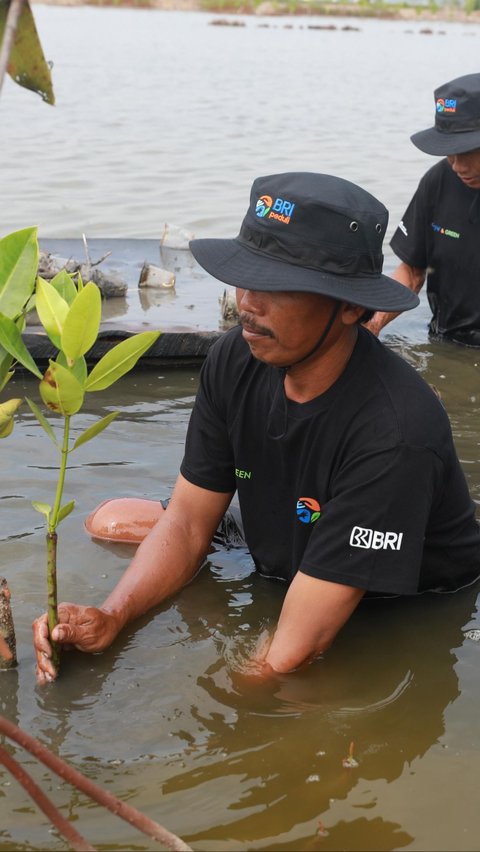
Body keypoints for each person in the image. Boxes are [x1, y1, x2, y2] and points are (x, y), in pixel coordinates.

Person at [33, 172, 480, 685]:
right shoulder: (233, 359)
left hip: (386, 594)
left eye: (279, 286)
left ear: (351, 307)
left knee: (263, 678)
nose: (248, 303)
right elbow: (187, 522)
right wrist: (113, 617)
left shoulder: (396, 432)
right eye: (245, 276)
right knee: (107, 521)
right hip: (289, 536)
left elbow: (289, 652)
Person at [366, 72, 480, 346]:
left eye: (466, 151)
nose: (457, 165)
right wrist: (374, 323)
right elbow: (413, 272)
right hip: (447, 341)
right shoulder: (438, 181)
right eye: (449, 151)